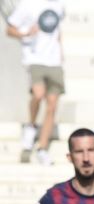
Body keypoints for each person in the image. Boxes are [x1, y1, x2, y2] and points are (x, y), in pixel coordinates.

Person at [7, 0, 66, 166]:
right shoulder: (27, 5)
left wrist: (61, 52)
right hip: (34, 58)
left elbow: (57, 31)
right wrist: (26, 34)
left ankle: (42, 148)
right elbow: (10, 29)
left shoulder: (59, 6)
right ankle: (31, 126)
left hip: (54, 61)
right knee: (38, 95)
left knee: (52, 105)